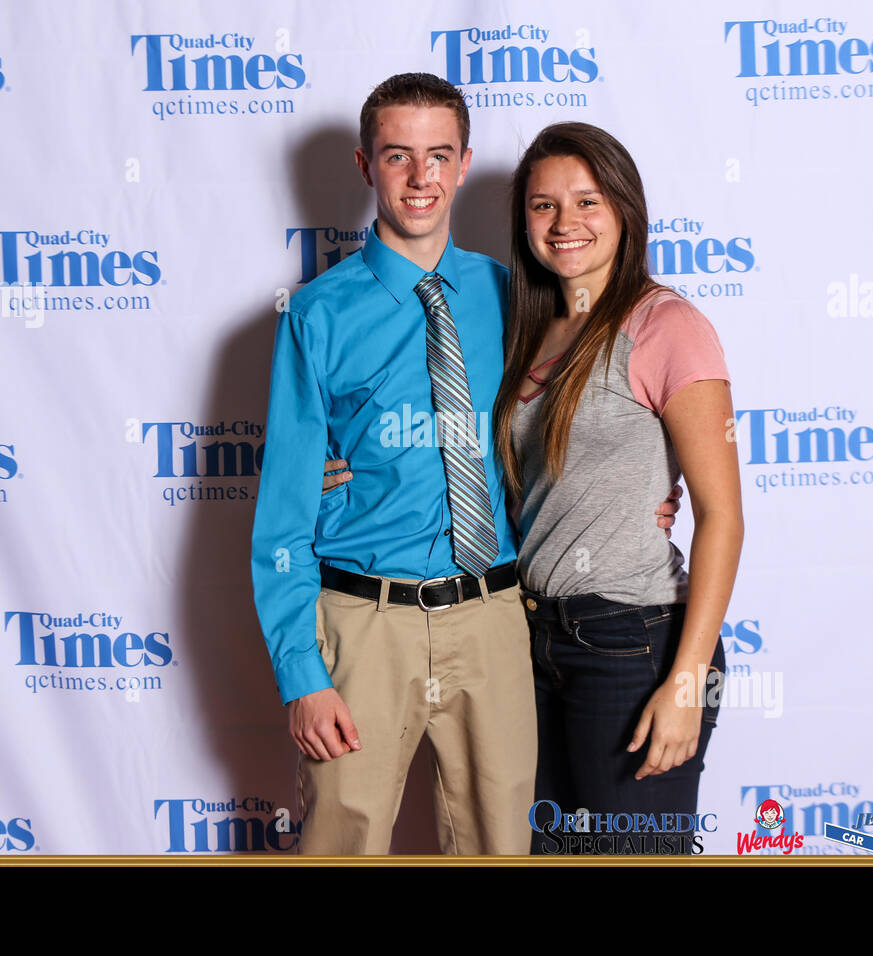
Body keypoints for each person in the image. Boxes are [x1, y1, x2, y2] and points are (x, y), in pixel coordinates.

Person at [253, 74, 682, 855]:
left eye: (439, 156)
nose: (421, 179)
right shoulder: (316, 315)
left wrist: (649, 488)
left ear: (464, 162)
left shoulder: (517, 297)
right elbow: (280, 517)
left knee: (502, 842)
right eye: (397, 156)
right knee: (338, 841)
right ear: (364, 164)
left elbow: (587, 418)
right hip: (363, 624)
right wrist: (301, 676)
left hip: (492, 619)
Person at [491, 122, 744, 855]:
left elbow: (722, 517)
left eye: (586, 200)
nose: (564, 223)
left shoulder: (667, 325)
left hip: (633, 645)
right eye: (543, 206)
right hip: (535, 640)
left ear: (625, 209)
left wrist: (688, 681)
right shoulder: (530, 333)